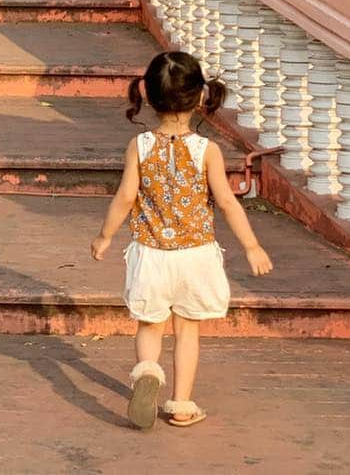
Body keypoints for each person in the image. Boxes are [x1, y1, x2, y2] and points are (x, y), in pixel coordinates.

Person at [90, 50, 273, 431]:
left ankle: (146, 372)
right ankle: (183, 404)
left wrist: (105, 236)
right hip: (195, 255)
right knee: (187, 329)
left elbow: (125, 197)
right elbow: (226, 202)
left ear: (148, 95)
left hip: (150, 254)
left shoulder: (139, 146)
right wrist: (252, 245)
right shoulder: (207, 151)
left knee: (149, 324)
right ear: (200, 96)